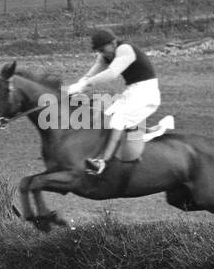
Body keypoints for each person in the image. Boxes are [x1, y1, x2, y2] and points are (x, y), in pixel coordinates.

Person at [68, 29, 161, 176]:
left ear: (113, 43)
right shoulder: (105, 55)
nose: (102, 53)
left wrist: (84, 85)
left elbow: (112, 73)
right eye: (99, 51)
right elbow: (93, 72)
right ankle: (139, 132)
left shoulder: (125, 49)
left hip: (146, 92)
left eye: (103, 49)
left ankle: (103, 162)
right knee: (107, 116)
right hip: (133, 91)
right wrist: (79, 84)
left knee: (118, 120)